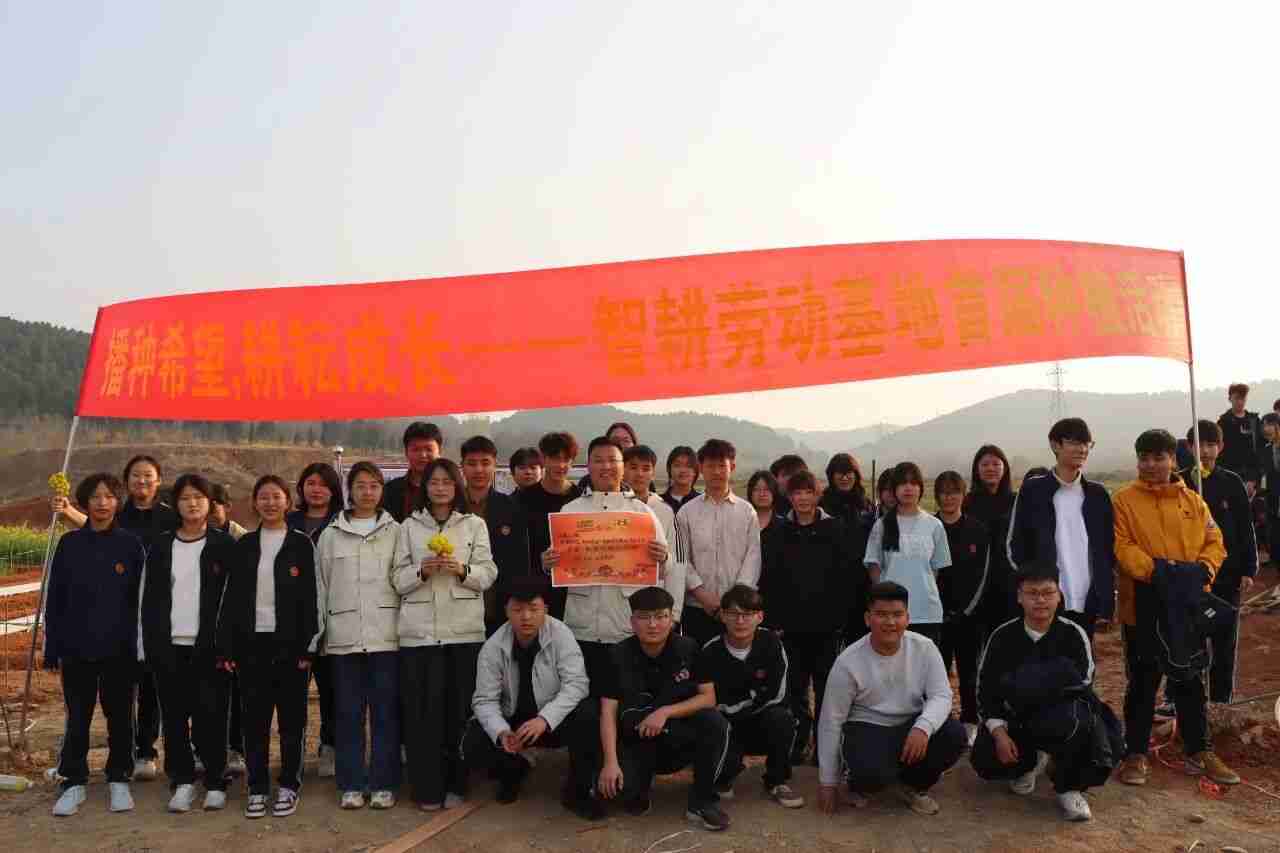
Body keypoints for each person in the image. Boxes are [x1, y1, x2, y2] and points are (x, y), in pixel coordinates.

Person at [1112, 429, 1238, 788]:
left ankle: (1199, 750)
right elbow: (1122, 546)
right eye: (1144, 458)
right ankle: (1135, 753)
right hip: (1144, 602)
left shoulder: (1193, 501)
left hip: (1187, 603)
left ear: (1173, 460)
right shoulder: (1124, 500)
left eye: (1159, 457)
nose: (1151, 465)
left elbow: (1215, 541)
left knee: (1189, 679)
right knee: (1143, 680)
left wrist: (1205, 569)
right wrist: (1160, 572)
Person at [52, 454, 177, 783]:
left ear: (159, 480)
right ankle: (115, 757)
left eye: (148, 475)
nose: (142, 481)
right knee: (117, 697)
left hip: (157, 608)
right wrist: (67, 511)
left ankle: (145, 751)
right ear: (127, 481)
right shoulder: (118, 514)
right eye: (135, 475)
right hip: (116, 615)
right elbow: (94, 531)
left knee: (150, 688)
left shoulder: (170, 517)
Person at [971, 562, 1120, 822]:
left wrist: (1020, 685)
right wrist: (999, 733)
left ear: (1059, 595)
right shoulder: (1002, 636)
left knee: (1077, 722)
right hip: (1015, 717)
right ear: (1019, 597)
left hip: (1059, 714)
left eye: (1048, 592)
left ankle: (1068, 787)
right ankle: (1029, 763)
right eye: (1032, 593)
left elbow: (1083, 682)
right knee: (986, 758)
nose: (1040, 600)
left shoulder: (1073, 633)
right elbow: (986, 689)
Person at [392, 458, 497, 811]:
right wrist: (420, 572)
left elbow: (488, 573)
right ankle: (427, 787)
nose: (440, 488)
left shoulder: (474, 525)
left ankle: (457, 784)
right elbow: (397, 579)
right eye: (433, 482)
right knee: (423, 716)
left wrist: (462, 570)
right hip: (419, 635)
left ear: (457, 486)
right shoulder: (408, 526)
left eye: (446, 482)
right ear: (424, 487)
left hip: (463, 633)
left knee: (457, 713)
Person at [215, 475, 320, 819]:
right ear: (255, 502)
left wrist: (308, 648)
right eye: (264, 497)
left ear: (287, 502)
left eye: (276, 497)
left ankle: (289, 785)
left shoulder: (301, 544)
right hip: (251, 647)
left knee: (292, 723)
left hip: (291, 648)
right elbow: (231, 600)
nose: (270, 503)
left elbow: (312, 599)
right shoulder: (244, 545)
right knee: (254, 723)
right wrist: (227, 647)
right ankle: (257, 787)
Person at [44, 473, 147, 817]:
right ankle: (73, 781)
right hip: (77, 648)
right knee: (78, 717)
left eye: (109, 496)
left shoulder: (130, 546)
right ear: (84, 502)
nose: (102, 503)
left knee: (120, 716)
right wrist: (53, 646)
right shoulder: (70, 544)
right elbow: (56, 597)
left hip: (120, 649)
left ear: (118, 502)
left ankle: (119, 777)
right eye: (95, 497)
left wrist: (139, 646)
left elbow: (141, 601)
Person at [816, 582, 966, 817]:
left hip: (910, 725)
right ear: (868, 619)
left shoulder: (925, 648)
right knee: (871, 774)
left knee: (953, 734)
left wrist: (923, 727)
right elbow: (831, 720)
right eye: (881, 615)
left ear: (907, 618)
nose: (890, 622)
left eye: (897, 614)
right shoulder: (848, 661)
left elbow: (941, 695)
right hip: (868, 728)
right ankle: (855, 781)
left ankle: (913, 785)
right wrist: (828, 782)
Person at [462, 579, 603, 819]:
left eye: (533, 609)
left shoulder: (561, 634)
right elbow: (484, 700)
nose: (526, 617)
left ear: (545, 609)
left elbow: (577, 684)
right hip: (514, 722)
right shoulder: (493, 646)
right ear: (507, 611)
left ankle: (578, 792)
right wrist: (501, 732)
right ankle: (513, 770)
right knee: (473, 743)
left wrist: (545, 719)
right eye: (517, 610)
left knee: (588, 714)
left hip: (551, 721)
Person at [597, 586, 733, 832]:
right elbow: (607, 712)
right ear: (632, 621)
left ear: (672, 619)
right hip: (637, 742)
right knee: (623, 798)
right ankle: (638, 786)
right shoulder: (617, 655)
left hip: (678, 739)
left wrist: (665, 712)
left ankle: (702, 800)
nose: (653, 624)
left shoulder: (689, 648)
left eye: (661, 616)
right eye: (644, 617)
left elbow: (708, 698)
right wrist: (610, 763)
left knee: (714, 721)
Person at [138, 473, 236, 812]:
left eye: (198, 497)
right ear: (175, 504)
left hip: (211, 648)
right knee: (174, 718)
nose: (192, 503)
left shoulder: (224, 545)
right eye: (185, 498)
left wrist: (228, 646)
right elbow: (149, 599)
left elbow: (235, 601)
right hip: (169, 646)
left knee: (212, 716)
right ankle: (181, 781)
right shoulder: (162, 545)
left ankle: (215, 780)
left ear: (209, 503)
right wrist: (149, 645)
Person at [542, 437, 672, 688]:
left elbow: (663, 571)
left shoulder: (642, 512)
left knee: (623, 694)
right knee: (580, 691)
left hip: (625, 623)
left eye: (613, 460)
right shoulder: (570, 511)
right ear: (588, 466)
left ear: (623, 466)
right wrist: (548, 564)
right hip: (581, 624)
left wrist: (662, 557)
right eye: (598, 460)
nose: (606, 467)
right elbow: (557, 564)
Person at [759, 470, 864, 764]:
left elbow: (847, 578)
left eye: (808, 492)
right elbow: (771, 579)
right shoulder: (780, 531)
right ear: (789, 497)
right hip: (790, 628)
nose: (803, 498)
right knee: (795, 689)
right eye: (797, 493)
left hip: (827, 627)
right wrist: (775, 621)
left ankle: (824, 747)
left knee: (827, 688)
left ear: (818, 495)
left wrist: (840, 619)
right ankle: (799, 741)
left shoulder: (835, 529)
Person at [315, 462, 402, 810]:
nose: (367, 492)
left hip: (386, 636)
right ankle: (350, 783)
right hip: (344, 637)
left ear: (382, 490)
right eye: (361, 485)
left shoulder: (396, 532)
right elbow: (320, 587)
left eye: (374, 485)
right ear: (349, 490)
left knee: (385, 714)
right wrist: (320, 635)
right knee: (348, 715)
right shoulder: (331, 534)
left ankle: (383, 783)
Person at [1007, 418, 1115, 638]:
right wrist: (1035, 586)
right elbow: (1014, 545)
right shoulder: (1033, 490)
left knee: (1082, 656)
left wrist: (1105, 596)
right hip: (1045, 601)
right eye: (1075, 442)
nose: (1082, 449)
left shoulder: (1098, 495)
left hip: (1088, 600)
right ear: (1055, 445)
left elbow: (1108, 549)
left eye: (1087, 443)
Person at [701, 585, 804, 809]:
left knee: (782, 718)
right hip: (728, 726)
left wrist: (737, 703)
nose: (740, 621)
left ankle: (777, 780)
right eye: (733, 614)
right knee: (714, 727)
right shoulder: (710, 651)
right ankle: (725, 775)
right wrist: (753, 697)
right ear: (723, 616)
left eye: (747, 614)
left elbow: (777, 695)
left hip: (760, 720)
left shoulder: (771, 643)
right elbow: (710, 701)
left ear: (760, 617)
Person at [1180, 420, 1257, 705]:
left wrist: (1248, 569)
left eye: (1211, 444)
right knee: (1192, 641)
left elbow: (1245, 527)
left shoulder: (1231, 482)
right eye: (1199, 444)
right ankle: (1191, 702)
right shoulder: (1179, 483)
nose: (1205, 451)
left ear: (1221, 447)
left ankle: (1221, 702)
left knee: (1225, 641)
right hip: (1190, 574)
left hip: (1228, 573)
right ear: (1190, 447)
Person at [676, 439, 762, 647]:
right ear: (701, 468)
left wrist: (737, 600)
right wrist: (703, 595)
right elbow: (681, 559)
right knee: (699, 660)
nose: (716, 472)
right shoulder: (686, 512)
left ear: (732, 467)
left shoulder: (746, 511)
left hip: (739, 612)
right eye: (710, 466)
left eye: (722, 465)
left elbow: (753, 556)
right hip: (698, 608)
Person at [288, 462, 344, 779]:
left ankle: (329, 746)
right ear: (301, 488)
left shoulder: (343, 523)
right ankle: (293, 751)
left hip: (333, 616)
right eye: (310, 483)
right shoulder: (288, 522)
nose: (316, 489)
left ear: (334, 490)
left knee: (331, 689)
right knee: (294, 691)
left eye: (323, 484)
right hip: (295, 619)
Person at [864, 462, 951, 647]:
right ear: (895, 489)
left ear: (921, 488)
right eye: (903, 483)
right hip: (891, 615)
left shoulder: (934, 525)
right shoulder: (882, 525)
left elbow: (935, 569)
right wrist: (885, 600)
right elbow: (873, 566)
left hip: (926, 612)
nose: (908, 488)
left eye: (913, 483)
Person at [934, 471, 989, 744]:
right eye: (944, 493)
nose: (949, 498)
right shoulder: (929, 527)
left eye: (954, 492)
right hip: (935, 616)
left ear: (963, 495)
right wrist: (938, 610)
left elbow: (983, 575)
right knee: (936, 673)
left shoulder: (977, 529)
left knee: (969, 672)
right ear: (937, 496)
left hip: (969, 617)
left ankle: (970, 722)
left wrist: (966, 611)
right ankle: (939, 721)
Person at [459, 436, 532, 636]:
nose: (479, 470)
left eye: (485, 463)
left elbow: (520, 563)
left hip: (497, 608)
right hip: (457, 607)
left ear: (495, 465)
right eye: (472, 463)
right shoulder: (451, 507)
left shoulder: (512, 508)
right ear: (462, 466)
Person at [515, 432, 582, 620]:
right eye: (554, 458)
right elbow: (518, 550)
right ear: (543, 459)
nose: (560, 465)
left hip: (574, 591)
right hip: (536, 591)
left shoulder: (581, 498)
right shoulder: (523, 499)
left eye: (566, 459)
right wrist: (540, 563)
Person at [208, 481, 247, 776]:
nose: (208, 511)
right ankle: (205, 749)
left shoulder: (242, 540)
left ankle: (236, 749)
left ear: (227, 507)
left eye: (214, 505)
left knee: (236, 694)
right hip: (202, 630)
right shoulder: (189, 538)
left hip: (235, 629)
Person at [624, 445, 687, 623]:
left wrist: (674, 614)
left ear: (653, 473)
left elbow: (678, 564)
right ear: (623, 470)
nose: (639, 474)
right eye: (633, 467)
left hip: (654, 604)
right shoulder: (611, 508)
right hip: (618, 604)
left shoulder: (665, 511)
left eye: (646, 468)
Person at [965, 444, 1017, 628]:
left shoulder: (1016, 501)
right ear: (976, 469)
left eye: (996, 464)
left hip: (1008, 581)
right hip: (974, 581)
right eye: (985, 464)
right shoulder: (966, 502)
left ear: (1005, 468)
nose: (990, 469)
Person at [381, 422, 445, 523]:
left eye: (429, 449)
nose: (423, 455)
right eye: (416, 449)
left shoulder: (452, 490)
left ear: (440, 452)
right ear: (406, 452)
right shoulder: (389, 491)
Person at [1217, 383, 1263, 497]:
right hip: (1230, 473)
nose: (1240, 402)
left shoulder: (1254, 420)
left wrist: (1254, 478)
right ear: (1230, 399)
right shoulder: (1223, 422)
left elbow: (1260, 449)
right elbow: (1219, 451)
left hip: (1252, 475)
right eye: (1237, 398)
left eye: (1243, 398)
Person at [1260, 413, 1280, 565]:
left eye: (1269, 425)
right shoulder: (1267, 449)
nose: (1265, 428)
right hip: (1272, 496)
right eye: (1264, 425)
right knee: (1273, 530)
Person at [662, 445, 702, 514]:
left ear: (695, 471)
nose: (683, 470)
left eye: (688, 466)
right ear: (669, 469)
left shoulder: (702, 503)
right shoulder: (658, 502)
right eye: (677, 465)